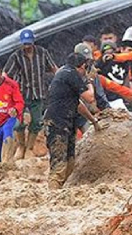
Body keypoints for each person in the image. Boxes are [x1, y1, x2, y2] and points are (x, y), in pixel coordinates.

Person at [44, 52, 103, 189]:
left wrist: (93, 121)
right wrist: (89, 81)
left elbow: (78, 104)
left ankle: (58, 191)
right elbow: (89, 98)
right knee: (59, 164)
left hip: (66, 122)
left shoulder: (64, 73)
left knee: (70, 162)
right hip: (57, 123)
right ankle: (53, 194)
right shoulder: (71, 74)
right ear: (81, 66)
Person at [3, 28, 58, 159]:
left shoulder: (42, 53)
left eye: (29, 43)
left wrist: (61, 79)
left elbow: (53, 68)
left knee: (37, 121)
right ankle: (21, 146)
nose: (27, 46)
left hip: (38, 92)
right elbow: (6, 74)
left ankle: (30, 147)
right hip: (21, 93)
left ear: (33, 42)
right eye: (25, 44)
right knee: (18, 123)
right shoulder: (16, 56)